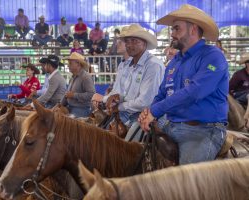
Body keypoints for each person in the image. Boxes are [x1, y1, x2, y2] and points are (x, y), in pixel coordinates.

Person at [139, 4, 229, 165]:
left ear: (193, 30)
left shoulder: (213, 56)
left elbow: (194, 92)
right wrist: (148, 114)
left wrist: (155, 110)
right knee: (135, 150)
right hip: (170, 124)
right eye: (172, 30)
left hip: (204, 130)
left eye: (176, 29)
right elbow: (161, 94)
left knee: (186, 181)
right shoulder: (174, 62)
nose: (172, 34)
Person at [92, 24, 164, 126]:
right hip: (130, 114)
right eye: (127, 41)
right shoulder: (131, 65)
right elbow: (125, 95)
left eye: (134, 41)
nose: (129, 45)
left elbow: (144, 102)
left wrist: (116, 105)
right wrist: (112, 99)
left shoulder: (153, 65)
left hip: (145, 117)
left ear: (144, 43)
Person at [61, 52, 95, 117]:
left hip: (82, 109)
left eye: (70, 63)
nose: (68, 65)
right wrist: (60, 105)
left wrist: (74, 95)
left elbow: (91, 94)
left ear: (78, 64)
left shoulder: (86, 77)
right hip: (72, 108)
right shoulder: (73, 77)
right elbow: (67, 95)